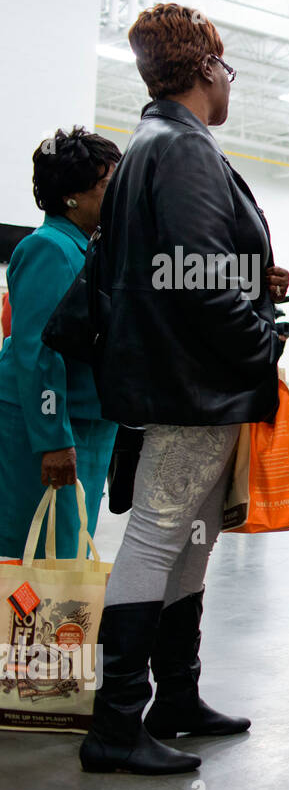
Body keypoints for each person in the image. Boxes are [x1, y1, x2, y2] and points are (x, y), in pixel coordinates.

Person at [81, 4, 289, 774]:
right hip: (190, 386)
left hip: (169, 378)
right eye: (226, 68)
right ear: (205, 70)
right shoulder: (186, 149)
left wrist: (249, 277)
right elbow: (197, 282)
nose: (228, 83)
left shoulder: (148, 145)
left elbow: (172, 268)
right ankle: (114, 724)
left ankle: (174, 696)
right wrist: (263, 343)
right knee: (158, 539)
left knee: (189, 541)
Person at [0, 128, 120, 560]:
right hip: (50, 428)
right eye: (108, 185)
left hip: (85, 425)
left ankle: (47, 631)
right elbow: (38, 349)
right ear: (72, 195)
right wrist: (53, 440)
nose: (118, 194)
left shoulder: (90, 248)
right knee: (34, 558)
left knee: (66, 552)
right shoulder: (49, 249)